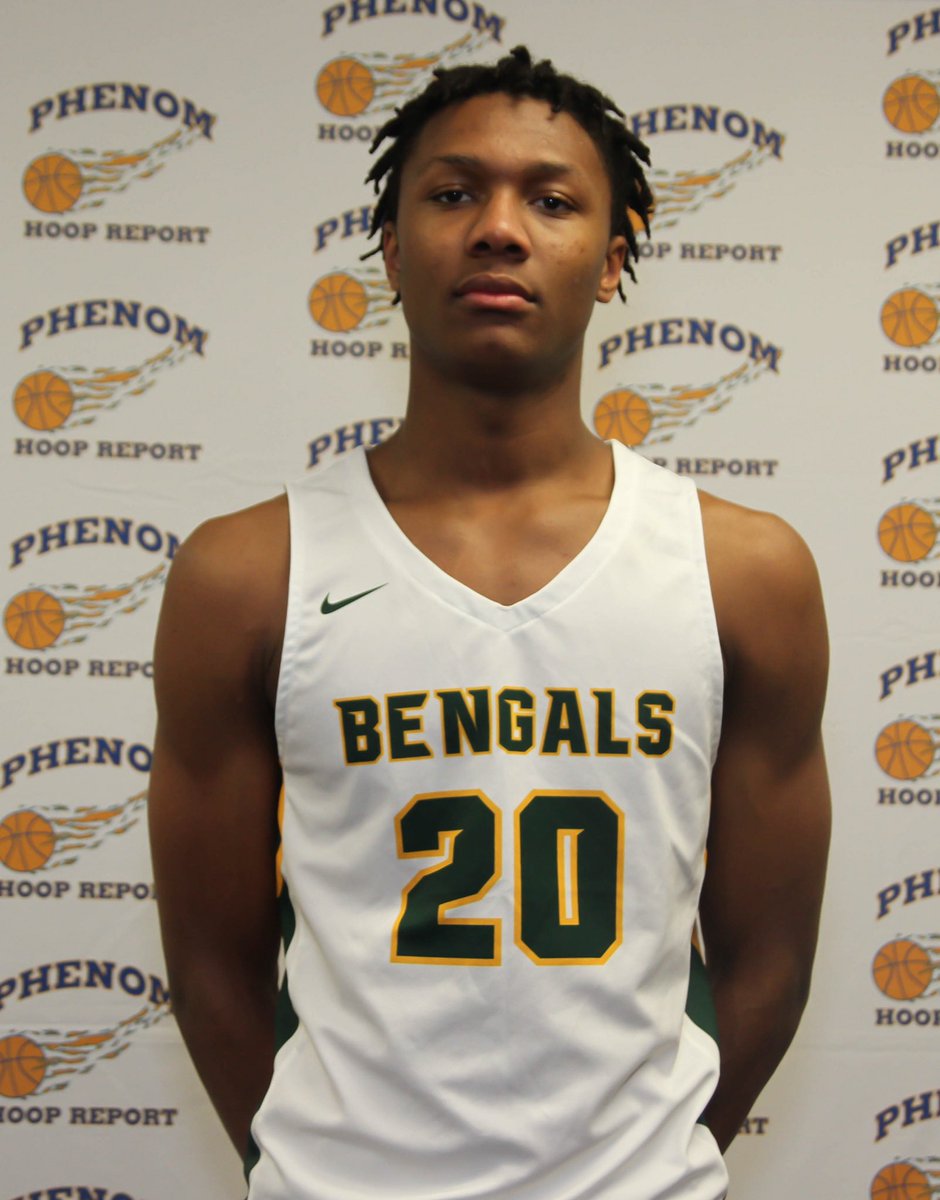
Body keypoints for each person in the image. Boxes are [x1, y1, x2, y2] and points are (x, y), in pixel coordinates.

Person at [148, 45, 830, 1200]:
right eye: (454, 192)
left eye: (551, 201)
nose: (499, 229)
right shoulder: (248, 574)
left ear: (611, 259)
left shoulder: (742, 571)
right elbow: (211, 967)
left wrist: (638, 1167)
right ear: (390, 247)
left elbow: (769, 964)